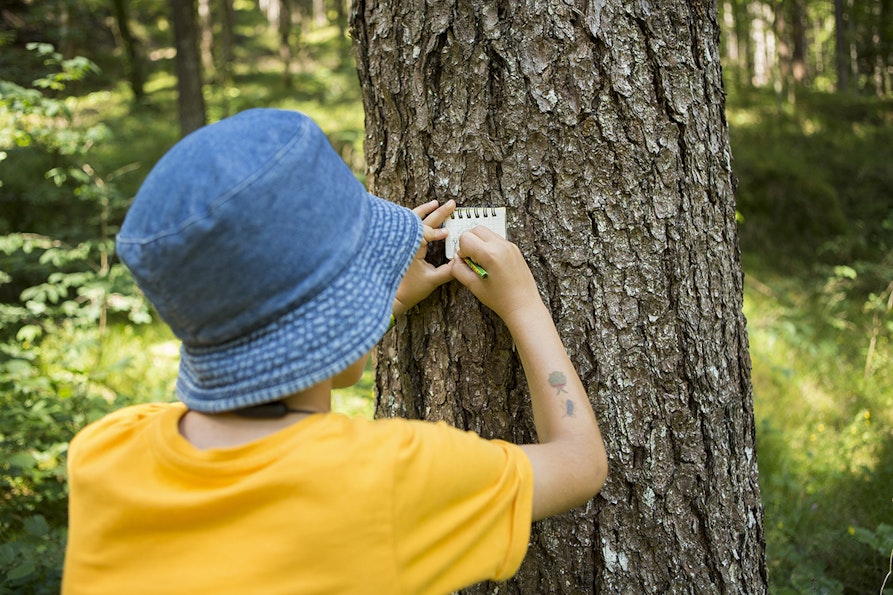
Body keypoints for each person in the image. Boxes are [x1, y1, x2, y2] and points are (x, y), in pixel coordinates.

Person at [62, 108, 608, 594]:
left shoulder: (103, 452)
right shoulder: (385, 480)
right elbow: (580, 465)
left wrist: (372, 303)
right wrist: (524, 307)